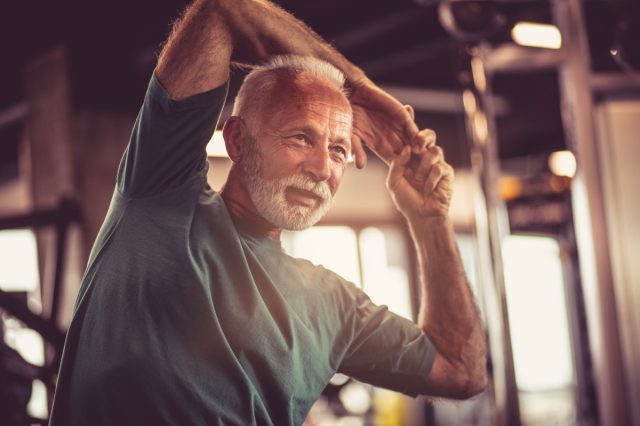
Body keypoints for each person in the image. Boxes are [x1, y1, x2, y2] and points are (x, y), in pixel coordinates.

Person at [49, 0, 486, 425]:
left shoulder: (331, 305)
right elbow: (222, 11)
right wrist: (355, 86)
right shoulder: (159, 197)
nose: (321, 169)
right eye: (300, 138)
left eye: (337, 149)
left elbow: (461, 369)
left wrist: (430, 222)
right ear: (237, 141)